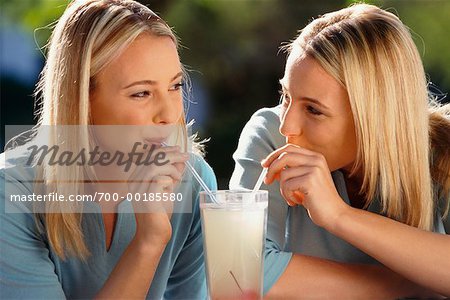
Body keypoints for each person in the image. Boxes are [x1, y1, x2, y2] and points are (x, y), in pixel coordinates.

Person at [230, 3, 450, 298]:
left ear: (376, 119)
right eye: (286, 96)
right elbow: (238, 273)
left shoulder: (441, 152)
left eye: (313, 110)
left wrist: (338, 216)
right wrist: (415, 282)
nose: (287, 126)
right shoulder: (270, 136)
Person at [0, 0, 216, 299]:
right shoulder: (11, 192)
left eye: (175, 86)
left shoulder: (194, 182)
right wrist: (149, 242)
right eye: (141, 93)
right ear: (82, 102)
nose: (169, 114)